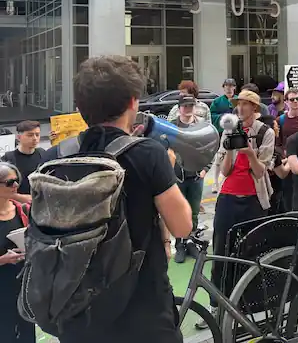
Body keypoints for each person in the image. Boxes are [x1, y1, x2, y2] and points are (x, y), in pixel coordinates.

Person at [40, 55, 193, 342]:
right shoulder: (148, 153)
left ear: (80, 108)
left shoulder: (55, 156)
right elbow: (183, 226)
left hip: (74, 312)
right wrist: (168, 170)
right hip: (142, 316)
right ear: (133, 102)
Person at [206, 89, 273, 328]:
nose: (241, 108)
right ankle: (216, 305)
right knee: (221, 248)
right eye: (239, 104)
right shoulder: (229, 129)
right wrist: (232, 148)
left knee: (250, 253)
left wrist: (249, 152)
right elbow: (224, 171)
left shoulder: (266, 132)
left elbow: (260, 171)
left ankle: (247, 306)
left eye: (246, 104)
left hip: (254, 198)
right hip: (228, 197)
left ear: (255, 108)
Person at [170, 95, 213, 264]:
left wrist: (205, 169)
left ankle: (191, 241)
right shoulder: (172, 126)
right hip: (177, 176)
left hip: (196, 175)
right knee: (178, 211)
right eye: (185, 106)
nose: (188, 109)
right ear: (179, 108)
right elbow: (163, 147)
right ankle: (180, 243)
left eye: (191, 105)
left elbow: (211, 147)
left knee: (194, 211)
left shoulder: (202, 126)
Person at [0, 161, 35, 343]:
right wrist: (3, 260)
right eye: (9, 182)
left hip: (23, 283)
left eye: (16, 181)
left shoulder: (23, 210)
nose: (15, 186)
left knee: (27, 332)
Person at [273, 88, 298, 213]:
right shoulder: (280, 120)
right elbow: (276, 143)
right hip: (288, 164)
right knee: (289, 198)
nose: (295, 102)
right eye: (292, 99)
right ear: (286, 102)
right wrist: (284, 154)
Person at [1, 120, 43, 204]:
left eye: (37, 135)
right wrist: (18, 197)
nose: (35, 138)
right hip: (17, 204)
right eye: (30, 135)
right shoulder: (8, 158)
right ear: (19, 137)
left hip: (39, 203)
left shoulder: (43, 154)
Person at [209, 77, 237, 193]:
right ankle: (215, 182)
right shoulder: (217, 101)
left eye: (231, 86)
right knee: (219, 157)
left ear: (234, 88)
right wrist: (223, 118)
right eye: (227, 86)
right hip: (222, 132)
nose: (229, 89)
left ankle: (228, 180)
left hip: (236, 132)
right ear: (223, 88)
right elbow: (212, 115)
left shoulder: (238, 100)